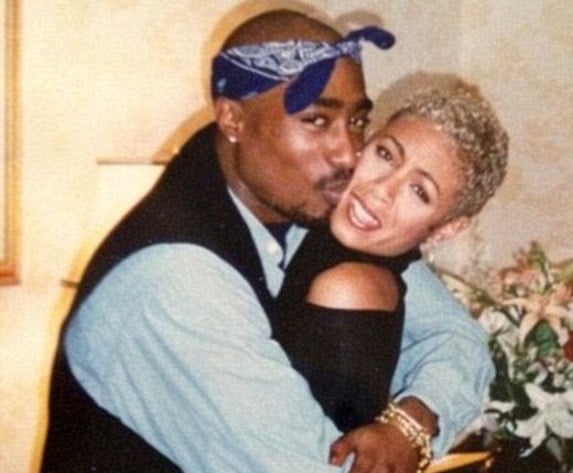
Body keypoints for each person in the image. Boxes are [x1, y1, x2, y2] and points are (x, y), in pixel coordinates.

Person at [41, 9, 494, 473]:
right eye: (316, 120)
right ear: (233, 119)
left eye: (358, 121)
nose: (348, 154)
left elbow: (456, 338)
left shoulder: (309, 207)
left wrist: (413, 421)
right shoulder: (176, 281)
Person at [272, 82, 508, 471]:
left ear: (446, 229)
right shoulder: (314, 212)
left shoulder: (352, 286)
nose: (382, 190)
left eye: (419, 191)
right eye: (385, 154)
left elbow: (460, 340)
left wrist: (410, 424)